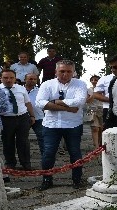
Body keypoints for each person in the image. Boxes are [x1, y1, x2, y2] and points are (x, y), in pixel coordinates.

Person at [35, 59, 88, 190]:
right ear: (55, 71)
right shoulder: (47, 84)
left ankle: (77, 179)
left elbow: (80, 101)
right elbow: (40, 103)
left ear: (73, 72)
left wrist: (55, 102)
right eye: (62, 71)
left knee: (75, 152)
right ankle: (47, 179)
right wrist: (68, 107)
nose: (65, 74)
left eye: (69, 71)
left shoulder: (80, 84)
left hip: (73, 125)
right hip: (51, 125)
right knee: (48, 153)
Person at [0, 69, 36, 170]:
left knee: (23, 142)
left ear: (15, 78)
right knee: (7, 142)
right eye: (5, 78)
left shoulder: (21, 88)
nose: (9, 80)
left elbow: (27, 103)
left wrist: (32, 116)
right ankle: (10, 163)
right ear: (0, 78)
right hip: (5, 119)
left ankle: (26, 163)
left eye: (11, 78)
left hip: (22, 118)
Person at [24, 72, 45, 156]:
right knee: (23, 139)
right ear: (25, 80)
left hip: (39, 117)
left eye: (34, 79)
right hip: (23, 118)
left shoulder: (41, 91)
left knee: (42, 138)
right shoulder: (19, 90)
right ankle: (25, 159)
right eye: (30, 79)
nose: (32, 81)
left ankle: (45, 157)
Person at [86, 75, 103, 148]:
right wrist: (93, 96)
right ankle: (96, 146)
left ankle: (99, 143)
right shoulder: (89, 90)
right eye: (92, 80)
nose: (94, 81)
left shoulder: (104, 89)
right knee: (95, 128)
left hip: (102, 110)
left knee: (101, 128)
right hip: (92, 110)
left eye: (96, 80)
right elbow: (87, 101)